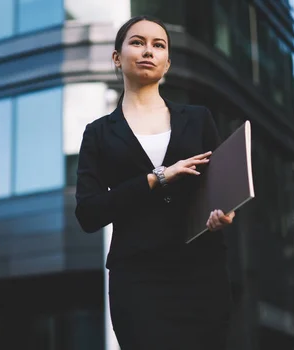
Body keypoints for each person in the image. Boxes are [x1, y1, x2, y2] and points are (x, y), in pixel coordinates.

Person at [74, 15, 236, 350]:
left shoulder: (198, 118)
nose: (148, 50)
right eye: (137, 42)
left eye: (158, 45)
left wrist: (226, 214)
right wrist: (157, 177)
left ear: (167, 63)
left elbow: (223, 187)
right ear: (117, 57)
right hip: (138, 278)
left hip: (201, 272)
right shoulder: (99, 133)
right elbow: (88, 213)